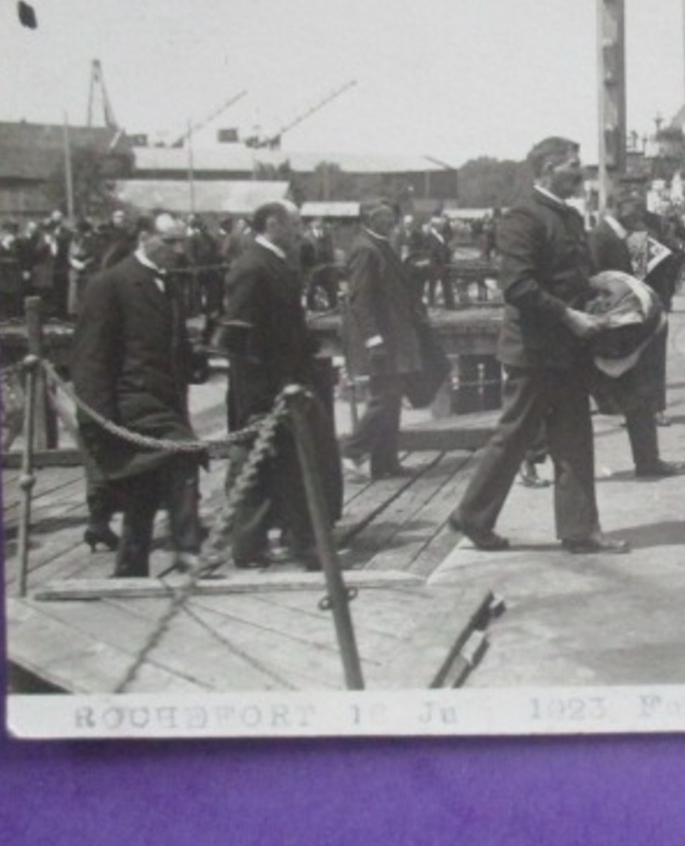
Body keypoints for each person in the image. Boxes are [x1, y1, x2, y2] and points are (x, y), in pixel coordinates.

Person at [448, 136, 627, 554]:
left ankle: (579, 531)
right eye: (572, 165)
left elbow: (570, 275)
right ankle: (471, 516)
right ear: (547, 169)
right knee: (513, 438)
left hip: (568, 351)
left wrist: (597, 294)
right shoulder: (523, 217)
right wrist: (568, 314)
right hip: (534, 351)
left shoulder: (565, 216)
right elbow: (517, 285)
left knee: (575, 438)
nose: (580, 172)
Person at [70, 212, 207, 578]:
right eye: (170, 242)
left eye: (182, 242)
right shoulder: (110, 285)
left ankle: (131, 567)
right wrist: (99, 421)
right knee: (183, 455)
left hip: (165, 401)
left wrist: (194, 362)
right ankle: (188, 551)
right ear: (144, 237)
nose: (179, 251)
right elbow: (90, 360)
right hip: (129, 402)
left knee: (145, 484)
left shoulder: (169, 285)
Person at [220, 200, 321, 570]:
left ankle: (297, 539)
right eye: (295, 224)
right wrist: (260, 398)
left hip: (286, 385)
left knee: (289, 464)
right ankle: (249, 545)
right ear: (274, 223)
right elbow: (240, 339)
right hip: (264, 391)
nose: (300, 231)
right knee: (255, 463)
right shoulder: (252, 266)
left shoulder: (277, 263)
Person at [589, 180, 683, 479]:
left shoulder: (638, 235)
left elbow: (653, 275)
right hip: (611, 328)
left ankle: (647, 461)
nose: (641, 212)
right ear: (618, 207)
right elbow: (594, 284)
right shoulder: (600, 237)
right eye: (635, 207)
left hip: (637, 325)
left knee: (641, 393)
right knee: (576, 394)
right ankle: (531, 456)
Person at [340, 204, 426, 480]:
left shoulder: (382, 245)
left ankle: (385, 462)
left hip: (395, 337)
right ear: (370, 220)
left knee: (392, 399)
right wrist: (372, 338)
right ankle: (352, 450)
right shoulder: (366, 249)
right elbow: (360, 299)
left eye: (392, 216)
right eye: (386, 218)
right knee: (383, 398)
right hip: (381, 340)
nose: (392, 222)